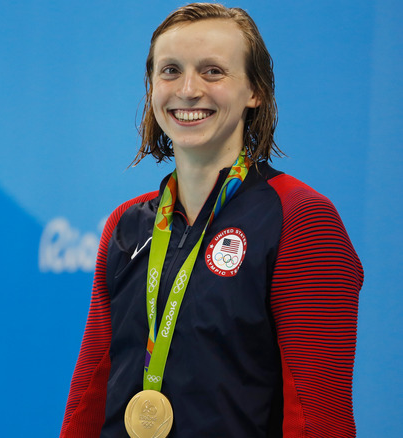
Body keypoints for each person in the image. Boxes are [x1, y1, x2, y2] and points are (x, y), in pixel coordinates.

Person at [59, 3, 363, 437]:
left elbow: (319, 417)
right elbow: (89, 395)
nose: (188, 89)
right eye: (169, 71)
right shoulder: (126, 225)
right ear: (150, 90)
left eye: (213, 72)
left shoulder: (300, 217)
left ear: (254, 91)